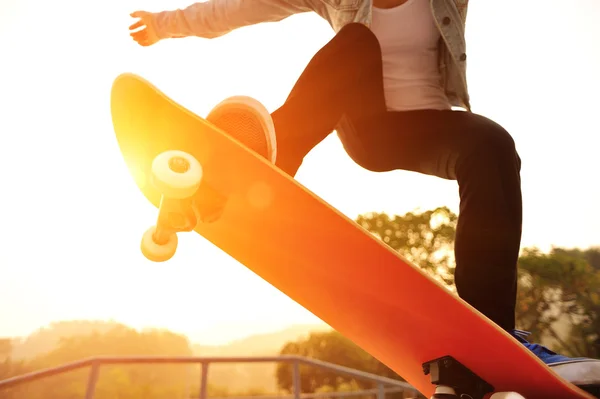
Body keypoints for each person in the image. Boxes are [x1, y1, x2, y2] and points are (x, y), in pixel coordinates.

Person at [127, 0, 600, 391]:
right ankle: (265, 167)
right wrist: (164, 25)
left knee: (493, 146)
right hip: (367, 127)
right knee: (355, 41)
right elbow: (242, 9)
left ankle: (497, 337)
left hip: (428, 127)